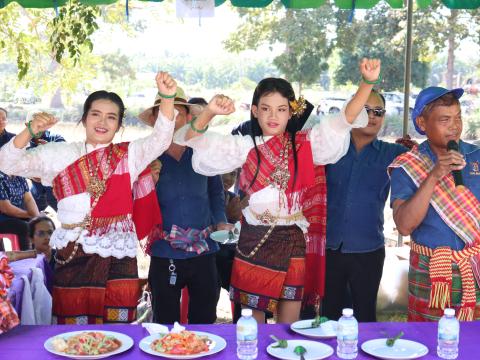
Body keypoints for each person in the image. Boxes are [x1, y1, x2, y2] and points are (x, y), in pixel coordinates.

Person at [174, 58, 381, 324]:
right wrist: (210, 112)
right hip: (254, 240)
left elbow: (344, 120)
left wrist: (367, 84)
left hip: (292, 239)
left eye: (281, 109)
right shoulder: (244, 145)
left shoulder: (306, 144)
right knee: (252, 325)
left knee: (289, 325)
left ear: (291, 113)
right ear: (255, 111)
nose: (273, 116)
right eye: (266, 109)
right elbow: (192, 139)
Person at [0, 71, 177, 324]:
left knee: (119, 327)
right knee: (73, 329)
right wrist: (29, 131)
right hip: (73, 251)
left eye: (111, 117)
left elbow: (160, 139)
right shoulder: (59, 154)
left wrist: (168, 98)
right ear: (84, 119)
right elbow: (7, 163)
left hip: (118, 251)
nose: (102, 122)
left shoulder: (130, 154)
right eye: (96, 114)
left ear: (119, 125)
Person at [141, 88, 231, 324]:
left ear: (189, 118)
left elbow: (215, 192)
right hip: (163, 250)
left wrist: (220, 219)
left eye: (177, 113)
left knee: (204, 321)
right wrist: (147, 184)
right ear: (154, 121)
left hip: (204, 249)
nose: (170, 119)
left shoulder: (202, 152)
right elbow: (137, 205)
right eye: (163, 114)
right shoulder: (145, 157)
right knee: (164, 323)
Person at [390, 86, 480, 321]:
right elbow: (404, 226)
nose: (454, 126)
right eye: (444, 119)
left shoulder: (476, 157)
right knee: (427, 341)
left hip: (475, 267)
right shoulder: (407, 166)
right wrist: (434, 176)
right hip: (430, 272)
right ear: (422, 122)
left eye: (458, 117)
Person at [322, 89, 407, 322]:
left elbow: (426, 160)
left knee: (365, 316)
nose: (372, 116)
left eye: (378, 112)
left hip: (368, 249)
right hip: (329, 249)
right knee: (329, 316)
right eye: (365, 110)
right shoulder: (331, 149)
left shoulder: (394, 153)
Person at [0, 171, 40, 250]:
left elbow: (28, 199)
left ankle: (38, 254)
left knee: (39, 224)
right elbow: (6, 208)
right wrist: (30, 214)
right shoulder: (1, 178)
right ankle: (26, 258)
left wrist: (37, 216)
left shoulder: (19, 177)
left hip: (15, 216)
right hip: (2, 218)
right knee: (24, 227)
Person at [28, 131, 66, 212]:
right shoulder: (23, 142)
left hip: (57, 193)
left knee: (70, 220)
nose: (38, 127)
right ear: (27, 124)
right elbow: (16, 165)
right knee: (26, 219)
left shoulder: (56, 138)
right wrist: (30, 175)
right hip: (37, 192)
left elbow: (65, 157)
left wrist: (50, 149)